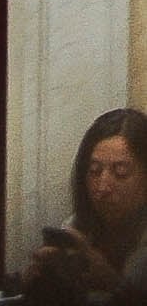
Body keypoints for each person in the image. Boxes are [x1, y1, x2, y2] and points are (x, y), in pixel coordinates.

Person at [29, 106, 146, 284]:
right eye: (94, 171)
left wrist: (112, 283)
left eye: (120, 172)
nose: (103, 187)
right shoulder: (76, 226)